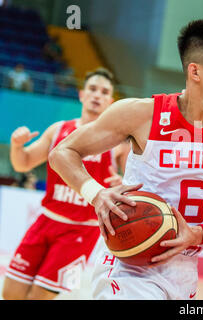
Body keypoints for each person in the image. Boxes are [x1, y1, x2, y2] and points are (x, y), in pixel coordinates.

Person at [48, 19, 203, 300]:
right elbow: (62, 153)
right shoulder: (140, 114)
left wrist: (198, 235)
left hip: (184, 265)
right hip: (128, 259)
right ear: (195, 71)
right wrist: (96, 194)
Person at [2, 67, 130, 300]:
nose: (97, 95)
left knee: (39, 298)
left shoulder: (119, 142)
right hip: (45, 221)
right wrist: (17, 146)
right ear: (82, 94)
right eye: (92, 89)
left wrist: (123, 181)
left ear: (110, 101)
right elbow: (23, 164)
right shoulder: (59, 129)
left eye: (103, 92)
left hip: (82, 232)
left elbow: (136, 182)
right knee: (10, 293)